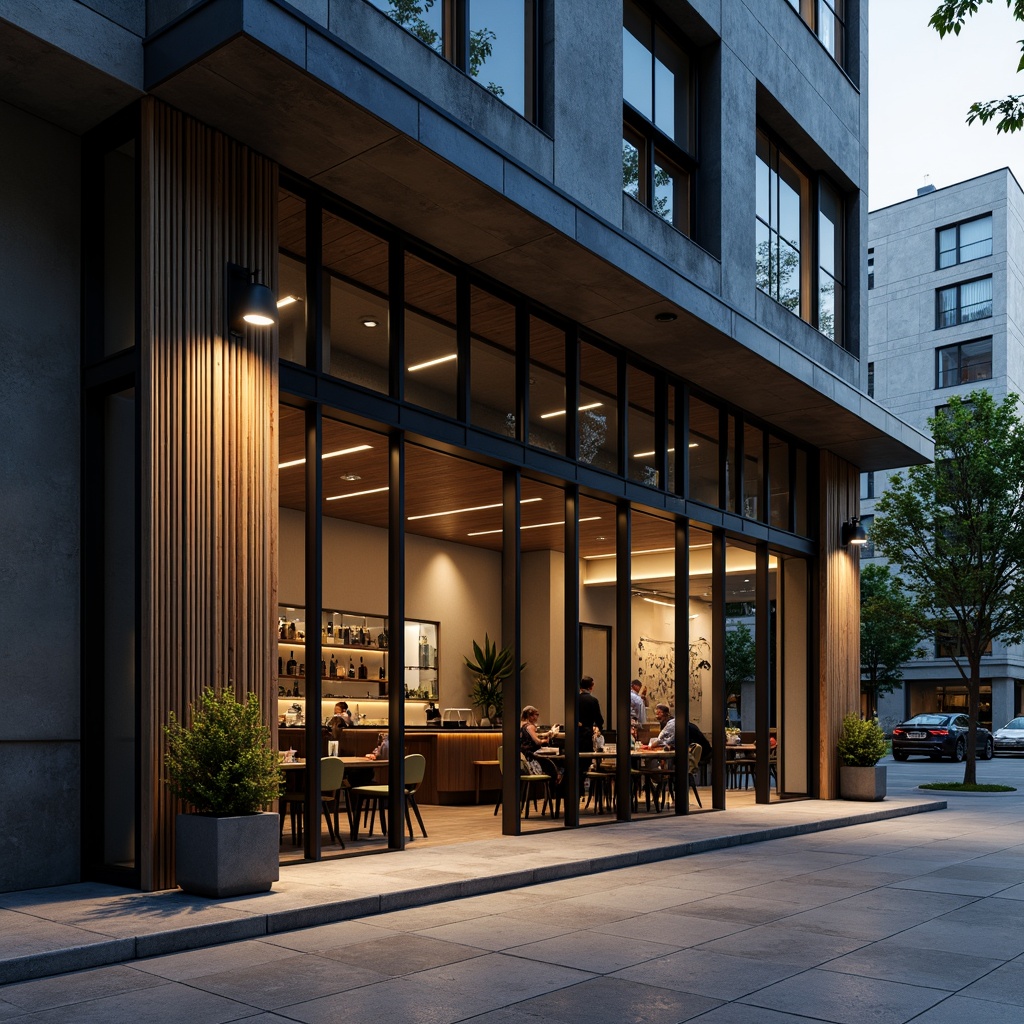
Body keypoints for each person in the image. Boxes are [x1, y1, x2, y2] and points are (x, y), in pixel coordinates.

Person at [520, 705, 562, 786]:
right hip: (533, 756)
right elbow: (537, 742)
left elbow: (530, 737)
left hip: (526, 755)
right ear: (530, 716)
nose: (537, 717)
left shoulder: (522, 725)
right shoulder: (530, 726)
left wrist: (545, 734)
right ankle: (556, 783)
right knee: (557, 760)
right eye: (536, 714)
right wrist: (545, 740)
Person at [578, 676, 604, 784]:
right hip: (587, 735)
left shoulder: (575, 699)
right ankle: (583, 785)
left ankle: (577, 788)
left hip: (575, 735)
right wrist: (599, 729)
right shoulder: (593, 700)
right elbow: (598, 718)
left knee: (577, 762)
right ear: (591, 686)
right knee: (586, 761)